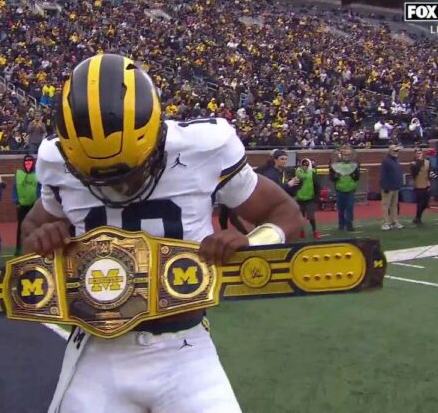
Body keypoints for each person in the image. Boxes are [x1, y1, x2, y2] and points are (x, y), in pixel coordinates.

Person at [20, 53, 303, 413]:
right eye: (98, 177)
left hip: (184, 346)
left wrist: (253, 242)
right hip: (98, 349)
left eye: (128, 174)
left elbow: (286, 214)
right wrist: (44, 236)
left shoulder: (201, 150)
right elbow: (32, 225)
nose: (118, 188)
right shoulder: (57, 161)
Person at [12, 154, 41, 255]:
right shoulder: (19, 174)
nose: (28, 163)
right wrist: (16, 201)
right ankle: (19, 249)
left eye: (30, 161)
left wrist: (39, 201)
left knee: (35, 227)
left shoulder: (38, 174)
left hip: (34, 206)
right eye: (26, 162)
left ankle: (35, 247)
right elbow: (14, 188)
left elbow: (40, 188)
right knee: (21, 227)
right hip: (22, 205)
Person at [329, 145, 360, 231]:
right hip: (340, 189)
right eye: (344, 155)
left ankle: (349, 224)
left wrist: (354, 174)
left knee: (349, 208)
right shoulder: (337, 166)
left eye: (347, 155)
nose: (346, 157)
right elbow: (332, 177)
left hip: (350, 189)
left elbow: (357, 177)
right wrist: (335, 175)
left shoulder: (353, 166)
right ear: (341, 156)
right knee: (341, 209)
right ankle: (341, 224)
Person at [380, 144, 404, 230]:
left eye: (397, 151)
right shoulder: (386, 161)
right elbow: (383, 175)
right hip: (388, 187)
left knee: (394, 206)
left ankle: (395, 221)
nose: (396, 152)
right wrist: (385, 186)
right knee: (386, 206)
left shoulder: (396, 160)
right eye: (394, 151)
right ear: (390, 151)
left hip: (395, 186)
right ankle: (386, 223)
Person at [295, 158, 320, 239]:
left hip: (310, 198)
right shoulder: (297, 173)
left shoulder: (313, 173)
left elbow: (317, 185)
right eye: (303, 165)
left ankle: (315, 231)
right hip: (300, 198)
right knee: (300, 217)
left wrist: (316, 197)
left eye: (307, 165)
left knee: (311, 216)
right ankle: (301, 231)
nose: (305, 166)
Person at [410, 147, 432, 225]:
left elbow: (430, 172)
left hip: (426, 184)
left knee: (426, 203)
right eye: (417, 153)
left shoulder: (427, 162)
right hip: (418, 185)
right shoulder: (414, 163)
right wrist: (419, 160)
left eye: (420, 153)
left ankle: (418, 217)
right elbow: (415, 171)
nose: (419, 154)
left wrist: (431, 179)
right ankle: (417, 218)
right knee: (420, 203)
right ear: (415, 154)